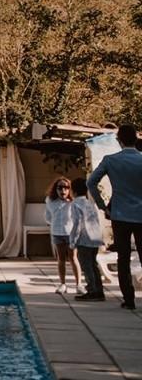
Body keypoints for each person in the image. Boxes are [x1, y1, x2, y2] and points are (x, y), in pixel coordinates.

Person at [87, 124, 142, 310]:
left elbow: (91, 182)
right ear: (136, 139)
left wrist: (103, 206)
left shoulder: (111, 160)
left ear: (119, 140)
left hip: (120, 214)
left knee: (123, 258)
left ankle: (129, 299)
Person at [70, 177, 106, 302]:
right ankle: (99, 290)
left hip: (84, 239)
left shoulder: (75, 204)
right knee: (93, 265)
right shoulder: (90, 203)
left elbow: (77, 223)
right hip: (95, 238)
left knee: (87, 266)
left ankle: (92, 290)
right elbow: (97, 221)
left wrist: (73, 240)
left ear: (73, 191)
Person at [45, 177, 81, 296]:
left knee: (73, 258)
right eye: (60, 188)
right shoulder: (50, 201)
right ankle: (63, 284)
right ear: (55, 189)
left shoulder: (72, 202)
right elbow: (48, 217)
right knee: (61, 259)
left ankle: (78, 284)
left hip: (70, 233)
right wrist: (54, 224)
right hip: (57, 233)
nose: (63, 190)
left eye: (66, 188)